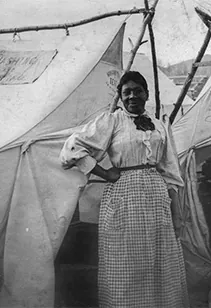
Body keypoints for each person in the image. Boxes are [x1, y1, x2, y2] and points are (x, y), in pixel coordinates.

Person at [60, 71, 189, 308]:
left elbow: (171, 171)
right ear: (120, 97)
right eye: (126, 92)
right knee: (127, 261)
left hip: (156, 197)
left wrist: (177, 213)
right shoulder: (112, 121)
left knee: (159, 258)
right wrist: (105, 173)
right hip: (124, 197)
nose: (132, 96)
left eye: (137, 91)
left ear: (146, 94)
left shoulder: (159, 125)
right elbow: (72, 149)